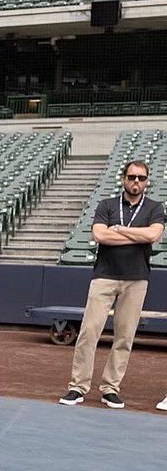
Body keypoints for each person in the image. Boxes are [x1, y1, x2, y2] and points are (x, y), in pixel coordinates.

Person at [58, 160, 163, 409]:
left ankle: (110, 388)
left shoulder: (154, 207)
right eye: (132, 177)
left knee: (124, 336)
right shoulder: (106, 204)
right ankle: (78, 386)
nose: (136, 182)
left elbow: (153, 236)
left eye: (142, 178)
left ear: (147, 181)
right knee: (89, 331)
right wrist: (136, 235)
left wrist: (119, 230)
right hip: (104, 275)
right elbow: (99, 235)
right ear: (123, 178)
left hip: (136, 278)